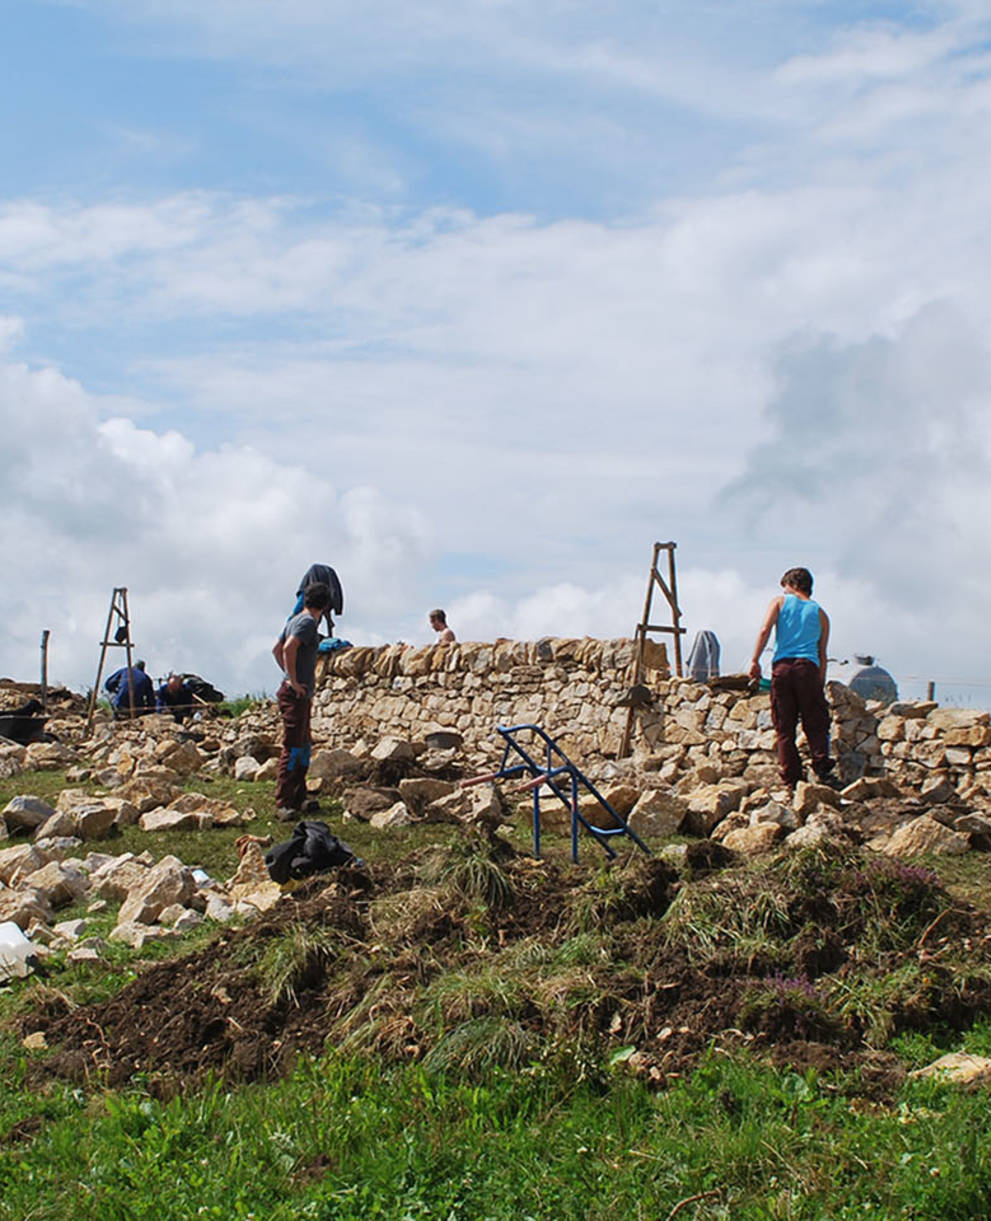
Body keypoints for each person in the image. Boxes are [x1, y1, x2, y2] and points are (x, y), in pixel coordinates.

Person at [749, 567, 839, 790]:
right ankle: (822, 768)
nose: (785, 591)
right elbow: (822, 654)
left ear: (793, 584)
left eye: (786, 587)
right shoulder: (821, 614)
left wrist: (755, 660)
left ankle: (791, 778)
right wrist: (819, 682)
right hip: (808, 668)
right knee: (816, 722)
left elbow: (764, 630)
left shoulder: (780, 603)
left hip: (782, 667)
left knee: (784, 726)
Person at [272, 582, 332, 820]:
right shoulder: (307, 623)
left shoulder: (295, 619)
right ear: (325, 605)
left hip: (298, 693)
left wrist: (288, 675)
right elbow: (288, 648)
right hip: (296, 694)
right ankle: (284, 802)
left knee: (303, 745)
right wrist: (293, 680)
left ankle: (299, 797)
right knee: (294, 747)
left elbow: (277, 648)